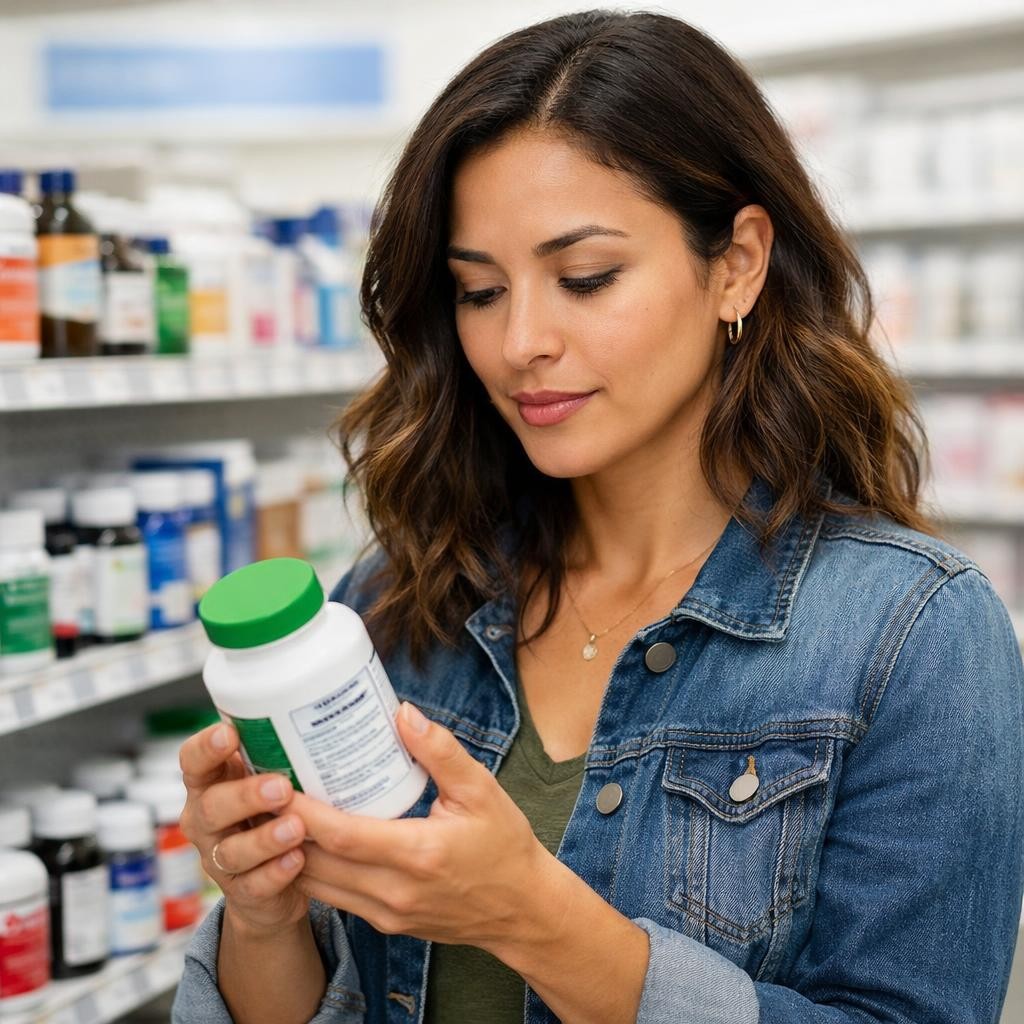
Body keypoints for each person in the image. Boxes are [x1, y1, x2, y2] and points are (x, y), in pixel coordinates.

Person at [172, 10, 1024, 1024]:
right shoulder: (401, 603)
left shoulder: (913, 636)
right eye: (478, 290)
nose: (520, 340)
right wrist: (263, 915)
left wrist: (540, 923)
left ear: (736, 264)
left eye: (584, 278)